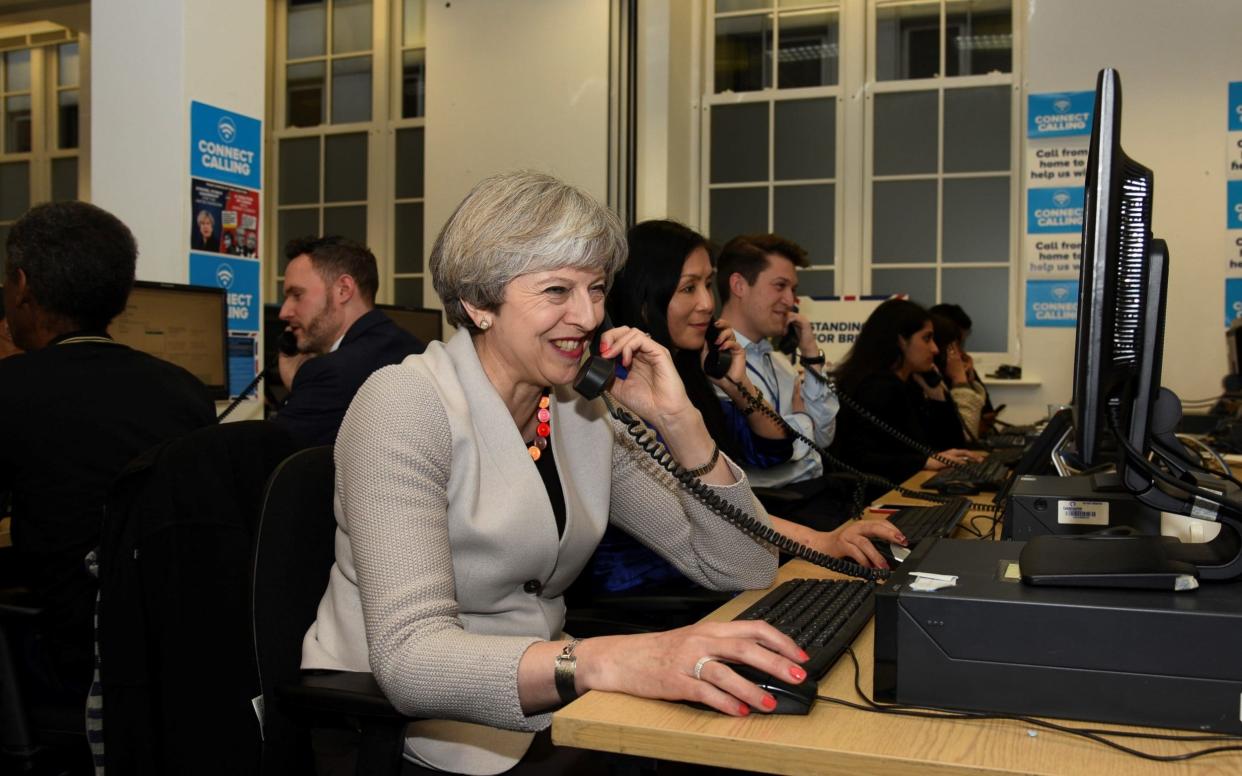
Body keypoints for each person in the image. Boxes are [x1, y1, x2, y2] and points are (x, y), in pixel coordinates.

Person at [302, 172, 808, 775]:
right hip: (401, 728)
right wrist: (604, 661)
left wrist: (680, 420)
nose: (589, 314)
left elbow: (741, 566)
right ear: (478, 303)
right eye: (556, 291)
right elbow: (410, 660)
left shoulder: (578, 409)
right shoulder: (404, 405)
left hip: (549, 705)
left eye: (596, 289)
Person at [584, 219, 901, 600]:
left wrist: (738, 385)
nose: (706, 303)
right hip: (660, 590)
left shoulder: (688, 368)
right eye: (688, 288)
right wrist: (820, 541)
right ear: (644, 294)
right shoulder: (619, 386)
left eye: (706, 284)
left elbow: (770, 451)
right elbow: (692, 505)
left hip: (725, 565)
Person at [0, 201, 216, 701]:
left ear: (23, 286)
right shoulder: (185, 390)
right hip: (168, 650)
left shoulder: (12, 390)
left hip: (65, 654)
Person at [715, 233, 844, 526]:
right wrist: (801, 420)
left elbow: (823, 438)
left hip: (813, 499)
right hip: (771, 516)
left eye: (793, 289)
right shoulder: (714, 361)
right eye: (780, 286)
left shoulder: (780, 362)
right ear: (738, 286)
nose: (791, 301)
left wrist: (810, 353)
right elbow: (766, 455)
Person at [270, 235, 425, 447]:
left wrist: (298, 388)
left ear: (343, 289)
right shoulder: (414, 349)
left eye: (297, 295)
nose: (284, 312)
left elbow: (274, 457)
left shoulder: (328, 373)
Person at [829, 299, 981, 486]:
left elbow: (951, 446)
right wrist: (923, 461)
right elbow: (858, 458)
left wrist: (937, 395)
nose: (934, 349)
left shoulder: (909, 384)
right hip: (872, 496)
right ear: (901, 340)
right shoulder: (874, 388)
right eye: (927, 338)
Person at [929, 302, 997, 432]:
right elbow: (965, 433)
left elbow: (987, 413)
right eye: (955, 344)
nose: (960, 351)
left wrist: (969, 380)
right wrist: (960, 381)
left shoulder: (958, 365)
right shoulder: (931, 377)